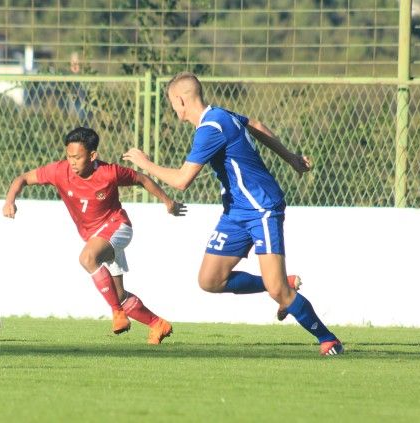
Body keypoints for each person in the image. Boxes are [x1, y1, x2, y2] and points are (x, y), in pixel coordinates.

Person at [122, 72, 344, 356]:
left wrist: (145, 163)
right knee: (210, 280)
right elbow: (257, 125)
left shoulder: (210, 129)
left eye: (172, 103)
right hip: (236, 211)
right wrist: (290, 157)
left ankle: (328, 339)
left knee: (280, 293)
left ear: (179, 99)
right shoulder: (220, 115)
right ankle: (278, 282)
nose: (173, 109)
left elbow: (181, 180)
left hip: (261, 207)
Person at [3, 126, 186, 345]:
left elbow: (142, 179)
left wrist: (168, 202)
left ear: (92, 155)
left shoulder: (109, 173)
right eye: (69, 156)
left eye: (77, 157)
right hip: (96, 238)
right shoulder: (59, 171)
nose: (72, 162)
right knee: (118, 294)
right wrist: (10, 200)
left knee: (87, 258)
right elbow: (22, 178)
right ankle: (158, 324)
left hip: (118, 227)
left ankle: (118, 314)